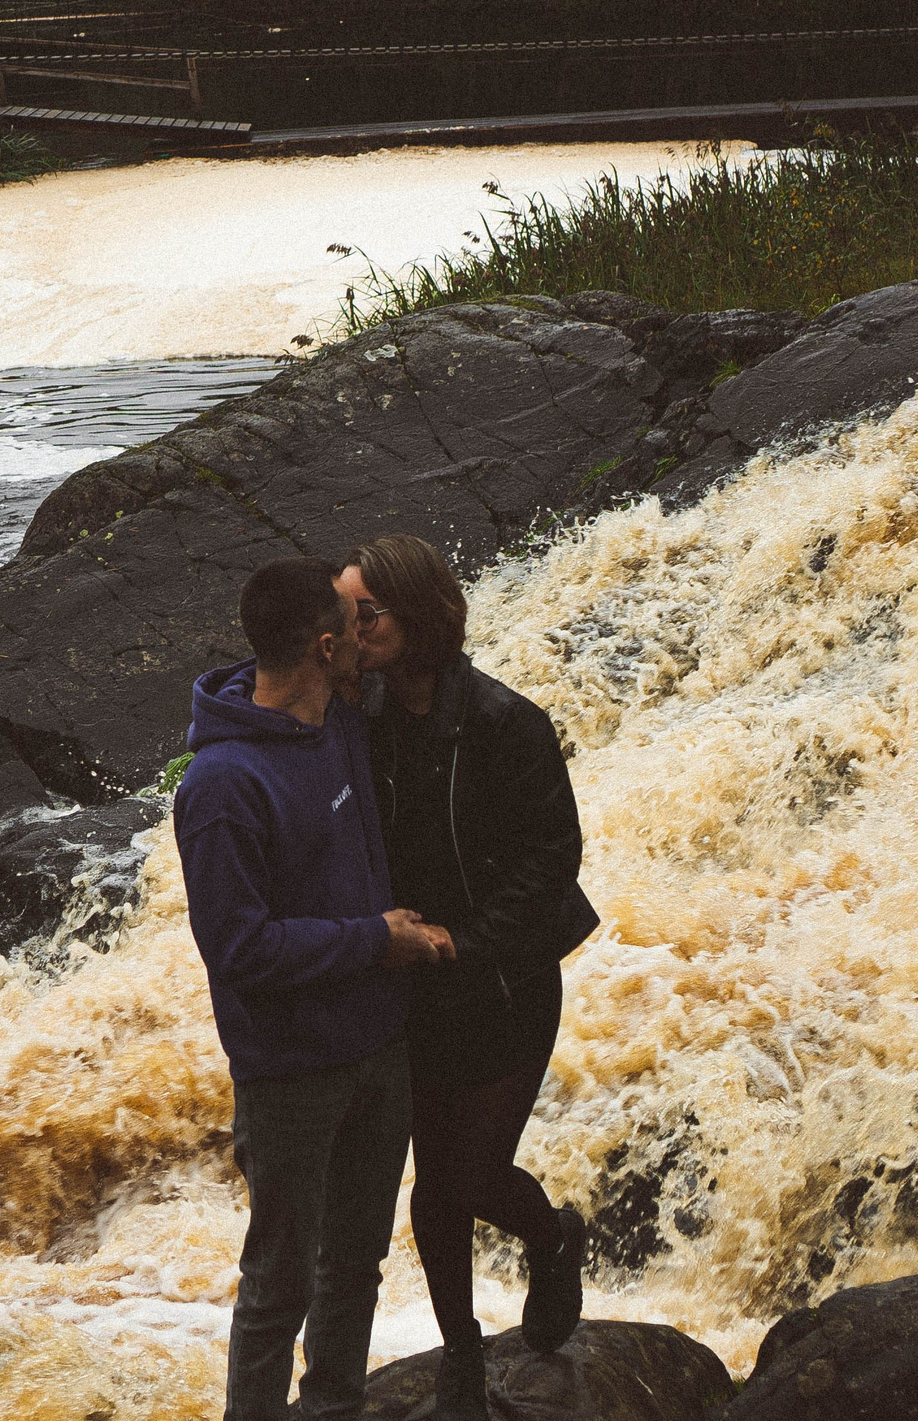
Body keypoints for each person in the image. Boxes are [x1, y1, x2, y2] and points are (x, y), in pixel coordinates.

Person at [175, 555, 457, 1421]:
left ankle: (331, 1407)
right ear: (325, 647)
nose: (366, 636)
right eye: (353, 623)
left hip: (378, 1043)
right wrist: (378, 939)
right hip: (292, 1070)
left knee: (356, 1260)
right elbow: (240, 949)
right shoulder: (222, 786)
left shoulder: (338, 715)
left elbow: (416, 668)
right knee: (278, 1283)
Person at [338, 534, 601, 1421]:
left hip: (503, 979)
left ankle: (552, 1235)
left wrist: (466, 941)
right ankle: (459, 1356)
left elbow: (551, 858)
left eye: (363, 613)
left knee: (475, 1173)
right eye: (344, 613)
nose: (350, 629)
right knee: (431, 1185)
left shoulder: (504, 721)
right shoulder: (359, 715)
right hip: (411, 978)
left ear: (415, 617)